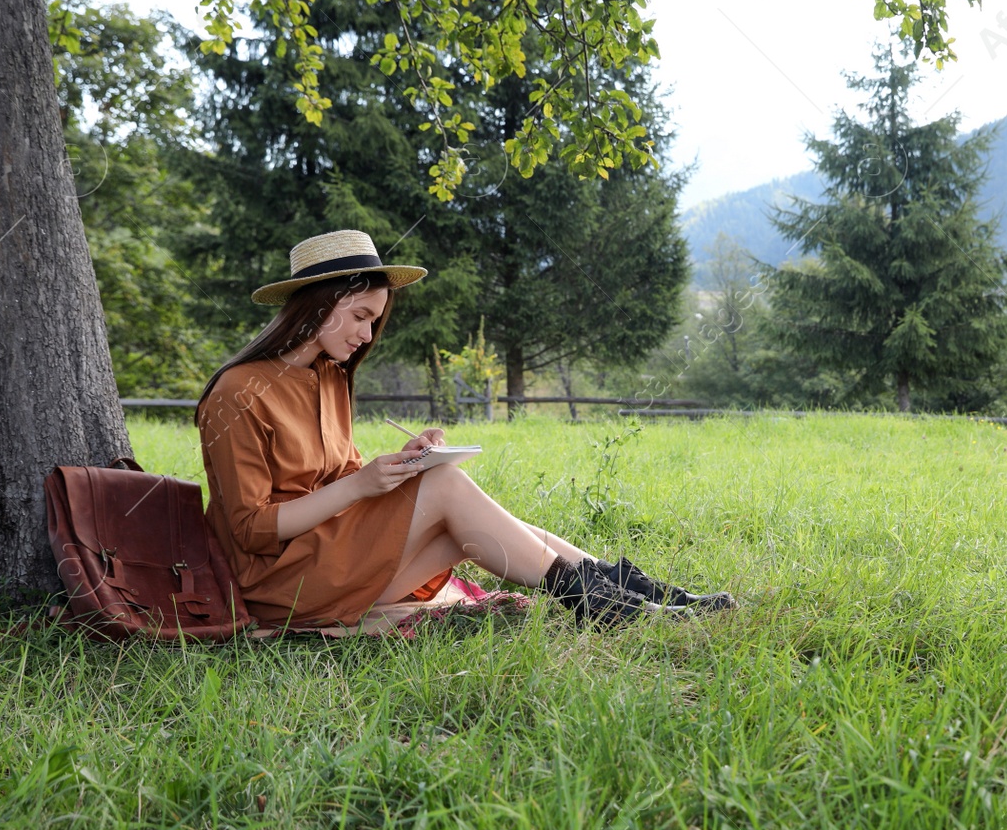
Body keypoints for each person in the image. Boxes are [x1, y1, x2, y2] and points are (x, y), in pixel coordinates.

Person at [194, 229, 734, 632]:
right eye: (360, 315)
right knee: (448, 488)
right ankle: (603, 604)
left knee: (461, 509)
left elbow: (335, 478)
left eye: (374, 321)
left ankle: (632, 592)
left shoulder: (329, 378)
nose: (367, 334)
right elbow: (249, 528)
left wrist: (399, 464)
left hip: (332, 552)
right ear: (319, 303)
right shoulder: (236, 394)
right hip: (281, 581)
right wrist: (363, 486)